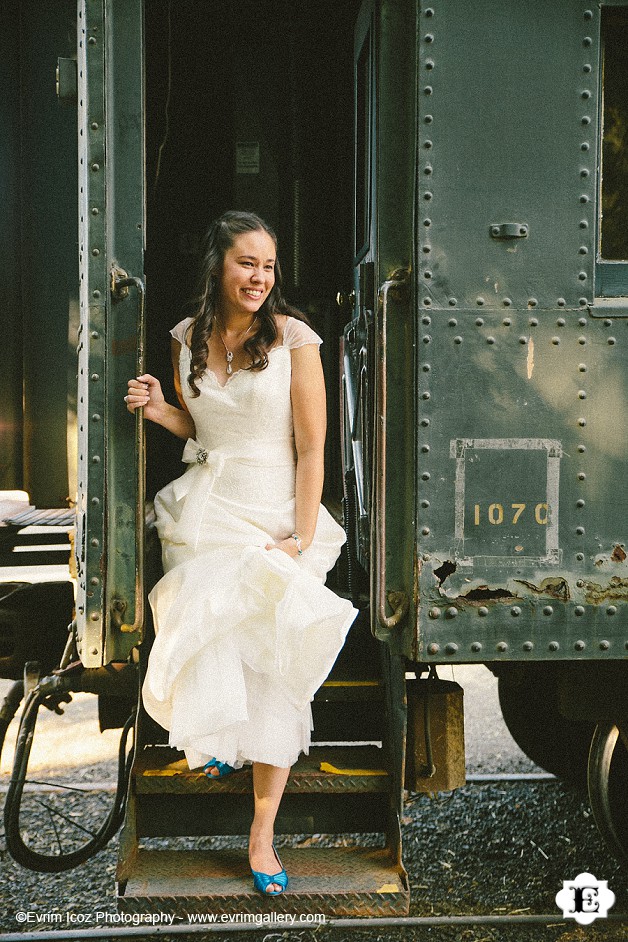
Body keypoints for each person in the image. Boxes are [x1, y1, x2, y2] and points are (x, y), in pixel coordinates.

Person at [125, 210, 357, 896]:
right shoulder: (185, 337)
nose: (258, 277)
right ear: (218, 267)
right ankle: (224, 740)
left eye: (267, 266)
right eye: (245, 263)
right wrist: (157, 406)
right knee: (213, 639)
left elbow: (313, 446)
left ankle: (261, 836)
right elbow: (200, 428)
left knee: (274, 671)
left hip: (276, 512)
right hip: (207, 508)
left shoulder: (294, 339)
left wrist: (302, 536)